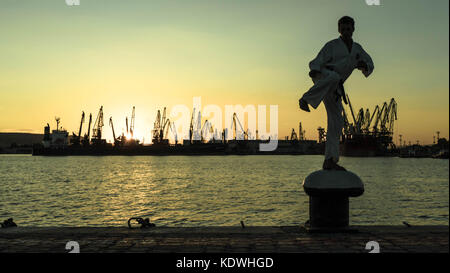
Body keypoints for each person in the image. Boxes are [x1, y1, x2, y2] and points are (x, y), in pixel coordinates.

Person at [299, 16, 374, 171]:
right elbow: (316, 61)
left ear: (353, 29)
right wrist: (315, 69)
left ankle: (330, 160)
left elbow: (370, 63)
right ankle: (305, 99)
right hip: (323, 76)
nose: (346, 31)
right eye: (343, 29)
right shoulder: (332, 45)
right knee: (333, 76)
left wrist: (363, 65)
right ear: (339, 30)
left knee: (336, 122)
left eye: (349, 29)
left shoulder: (357, 49)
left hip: (335, 87)